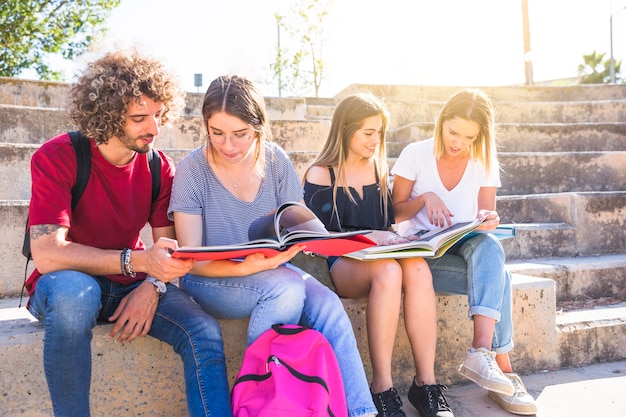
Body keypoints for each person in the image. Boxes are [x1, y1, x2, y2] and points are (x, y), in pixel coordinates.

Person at [25, 51, 232, 417]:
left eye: (156, 114)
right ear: (106, 114)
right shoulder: (57, 156)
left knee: (204, 331)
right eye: (139, 118)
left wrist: (153, 287)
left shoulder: (159, 167)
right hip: (66, 285)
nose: (153, 127)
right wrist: (135, 260)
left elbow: (168, 251)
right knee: (76, 295)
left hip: (131, 284)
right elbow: (47, 253)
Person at [168, 75, 378, 417]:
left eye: (240, 134)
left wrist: (312, 239)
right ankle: (261, 405)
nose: (228, 145)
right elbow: (192, 260)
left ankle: (361, 411)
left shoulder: (275, 160)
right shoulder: (192, 169)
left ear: (259, 127)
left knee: (329, 307)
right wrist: (249, 267)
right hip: (210, 278)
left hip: (271, 267)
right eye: (216, 132)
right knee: (285, 288)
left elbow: (297, 219)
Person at [303, 93, 453, 417]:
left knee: (416, 267)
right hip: (342, 265)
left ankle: (426, 385)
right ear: (346, 130)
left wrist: (403, 235)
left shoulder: (377, 170)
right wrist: (364, 240)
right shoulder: (320, 173)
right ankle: (381, 389)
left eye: (379, 133)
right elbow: (313, 240)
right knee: (389, 272)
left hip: (380, 258)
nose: (376, 141)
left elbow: (386, 223)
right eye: (368, 133)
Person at [391, 88, 538, 415]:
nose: (458, 142)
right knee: (500, 276)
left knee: (490, 246)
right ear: (441, 122)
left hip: (463, 246)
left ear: (480, 136)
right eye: (453, 131)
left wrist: (489, 220)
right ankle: (505, 371)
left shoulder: (484, 161)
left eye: (469, 137)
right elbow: (393, 213)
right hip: (420, 255)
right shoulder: (416, 154)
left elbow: (485, 217)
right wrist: (425, 197)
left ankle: (480, 352)